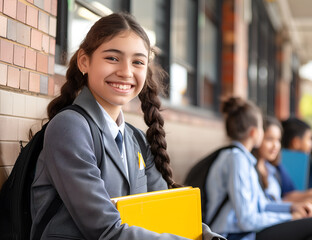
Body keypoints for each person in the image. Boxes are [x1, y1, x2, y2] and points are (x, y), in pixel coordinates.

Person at [30, 12, 223, 240]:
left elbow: (166, 211)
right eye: (112, 58)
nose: (126, 72)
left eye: (138, 62)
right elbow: (105, 229)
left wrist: (207, 236)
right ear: (84, 61)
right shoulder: (70, 128)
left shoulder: (137, 139)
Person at [205, 97, 312, 240]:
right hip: (233, 236)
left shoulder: (243, 159)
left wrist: (291, 208)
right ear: (254, 132)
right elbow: (247, 220)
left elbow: (262, 205)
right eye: (262, 128)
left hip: (245, 232)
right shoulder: (236, 159)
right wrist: (290, 217)